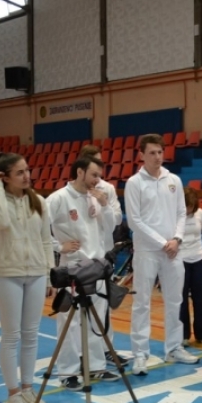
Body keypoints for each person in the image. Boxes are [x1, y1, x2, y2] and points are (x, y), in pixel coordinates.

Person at [0, 153, 55, 403]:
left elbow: (46, 239)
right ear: (5, 177)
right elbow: (1, 222)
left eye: (27, 170)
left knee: (31, 334)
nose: (27, 176)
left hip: (36, 272)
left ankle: (27, 388)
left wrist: (50, 273)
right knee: (11, 335)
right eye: (19, 172)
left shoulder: (38, 201)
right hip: (8, 273)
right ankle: (13, 393)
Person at [46, 156, 121, 391]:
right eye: (94, 175)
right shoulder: (58, 197)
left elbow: (110, 227)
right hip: (72, 267)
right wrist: (58, 246)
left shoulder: (95, 197)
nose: (98, 180)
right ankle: (68, 372)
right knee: (69, 323)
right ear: (80, 172)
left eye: (99, 176)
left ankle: (96, 366)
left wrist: (105, 205)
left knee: (96, 321)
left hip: (96, 266)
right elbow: (38, 227)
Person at [124, 133, 196, 375]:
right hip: (147, 251)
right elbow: (134, 221)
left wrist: (176, 239)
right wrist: (163, 242)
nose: (157, 157)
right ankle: (140, 354)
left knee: (175, 300)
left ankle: (174, 348)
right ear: (141, 155)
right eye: (152, 153)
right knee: (141, 303)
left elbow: (181, 213)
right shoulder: (134, 183)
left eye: (160, 152)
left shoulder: (173, 180)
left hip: (173, 251)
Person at [79, 144, 125, 364]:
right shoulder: (73, 192)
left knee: (104, 304)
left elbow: (117, 219)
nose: (98, 171)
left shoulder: (107, 188)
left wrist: (104, 204)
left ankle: (106, 348)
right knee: (82, 307)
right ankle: (83, 353)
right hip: (82, 256)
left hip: (104, 253)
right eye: (94, 166)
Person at [179, 188, 202, 346]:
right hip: (180, 261)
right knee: (181, 300)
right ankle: (183, 335)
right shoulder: (174, 216)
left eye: (191, 206)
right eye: (186, 206)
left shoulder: (200, 214)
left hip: (199, 261)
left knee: (199, 299)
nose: (188, 209)